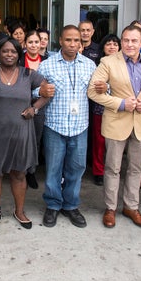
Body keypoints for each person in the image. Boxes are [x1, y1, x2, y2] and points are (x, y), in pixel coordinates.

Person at [87, 25, 141, 229]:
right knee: (112, 168)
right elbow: (93, 91)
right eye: (126, 40)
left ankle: (131, 207)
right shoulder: (107, 62)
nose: (129, 44)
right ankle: (110, 208)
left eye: (134, 41)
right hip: (116, 122)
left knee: (136, 168)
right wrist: (121, 103)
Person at [0, 38, 52, 232]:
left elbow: (48, 92)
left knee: (19, 173)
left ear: (18, 54)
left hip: (20, 132)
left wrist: (35, 108)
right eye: (5, 51)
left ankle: (19, 211)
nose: (9, 54)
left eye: (13, 51)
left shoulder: (28, 74)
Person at [38, 25, 94, 228]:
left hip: (80, 126)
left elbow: (100, 90)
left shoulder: (89, 65)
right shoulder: (47, 65)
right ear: (60, 41)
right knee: (53, 168)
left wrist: (105, 87)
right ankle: (53, 205)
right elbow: (35, 89)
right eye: (68, 40)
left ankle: (70, 205)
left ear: (81, 42)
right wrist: (40, 91)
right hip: (55, 125)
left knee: (76, 168)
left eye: (76, 40)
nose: (73, 44)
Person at [91, 34, 120, 186]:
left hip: (120, 111)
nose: (112, 47)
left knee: (115, 143)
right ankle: (98, 171)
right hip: (100, 109)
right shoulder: (97, 65)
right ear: (103, 47)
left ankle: (113, 170)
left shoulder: (125, 65)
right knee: (99, 142)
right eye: (108, 44)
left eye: (115, 44)